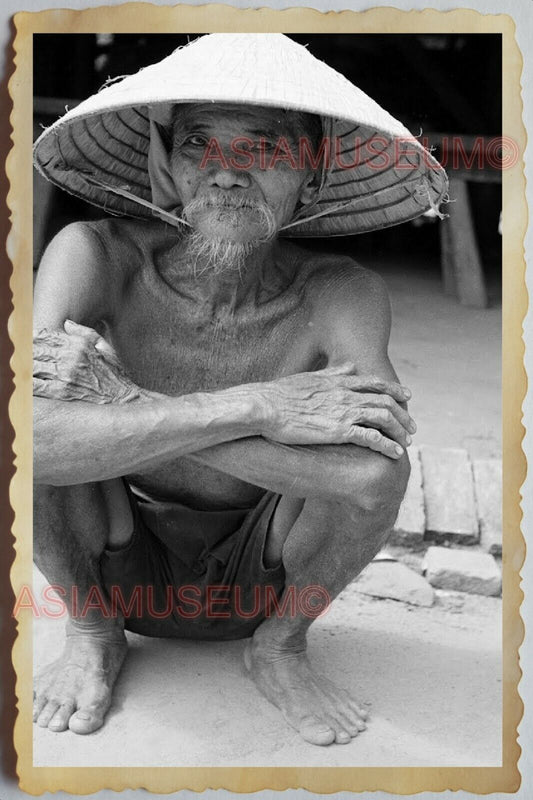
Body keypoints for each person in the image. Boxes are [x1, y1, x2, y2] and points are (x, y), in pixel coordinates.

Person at [32, 33, 447, 746]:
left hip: (269, 578)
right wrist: (258, 407)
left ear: (311, 177)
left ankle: (280, 647)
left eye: (263, 149)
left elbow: (371, 474)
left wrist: (126, 404)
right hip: (114, 554)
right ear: (165, 172)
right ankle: (92, 633)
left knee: (383, 466)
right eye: (198, 143)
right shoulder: (93, 254)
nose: (225, 173)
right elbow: (27, 437)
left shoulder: (341, 292)